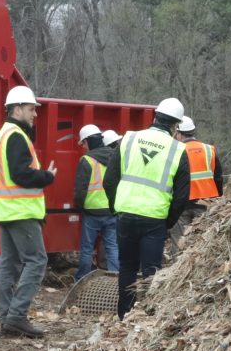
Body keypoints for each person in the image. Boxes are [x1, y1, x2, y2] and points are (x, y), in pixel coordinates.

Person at [104, 97, 192, 318]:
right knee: (151, 272)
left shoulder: (129, 139)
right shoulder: (178, 150)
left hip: (126, 215)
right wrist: (168, 222)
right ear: (175, 126)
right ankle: (146, 319)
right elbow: (181, 196)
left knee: (127, 268)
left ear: (155, 117)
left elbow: (109, 180)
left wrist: (116, 207)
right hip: (154, 220)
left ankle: (124, 316)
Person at [0, 83, 56, 338]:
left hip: (6, 210)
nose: (35, 114)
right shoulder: (15, 136)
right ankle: (16, 316)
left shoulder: (5, 134)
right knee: (37, 261)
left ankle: (7, 318)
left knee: (9, 265)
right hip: (20, 210)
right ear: (17, 109)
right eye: (31, 109)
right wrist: (47, 176)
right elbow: (21, 175)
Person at [71, 124, 119, 278]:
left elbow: (80, 191)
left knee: (86, 248)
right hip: (112, 210)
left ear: (89, 141)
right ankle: (114, 280)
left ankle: (82, 279)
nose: (83, 147)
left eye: (83, 143)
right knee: (112, 247)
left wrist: (79, 207)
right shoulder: (115, 156)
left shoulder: (86, 160)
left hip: (91, 213)